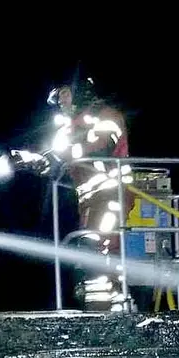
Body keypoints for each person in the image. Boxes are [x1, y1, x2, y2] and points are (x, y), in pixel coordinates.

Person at [45, 78, 133, 311]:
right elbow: (60, 160)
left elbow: (100, 147)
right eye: (58, 97)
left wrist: (65, 154)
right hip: (90, 198)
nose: (62, 101)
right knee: (102, 249)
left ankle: (99, 311)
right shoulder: (70, 126)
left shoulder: (106, 115)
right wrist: (37, 162)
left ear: (80, 92)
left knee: (92, 245)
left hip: (111, 191)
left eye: (65, 94)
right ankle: (116, 304)